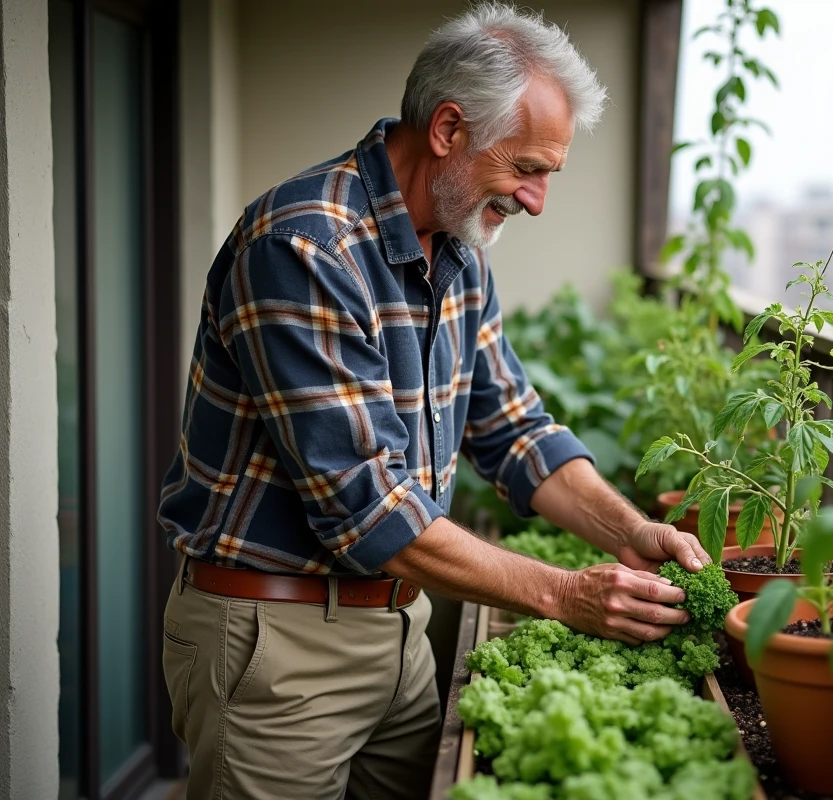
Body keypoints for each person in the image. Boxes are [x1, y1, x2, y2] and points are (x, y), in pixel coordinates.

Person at [157, 4, 709, 799]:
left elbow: (515, 430)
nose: (536, 198)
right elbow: (367, 509)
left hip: (402, 630)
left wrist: (630, 530)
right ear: (449, 129)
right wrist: (565, 594)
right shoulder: (303, 246)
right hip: (275, 646)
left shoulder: (459, 250)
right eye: (528, 167)